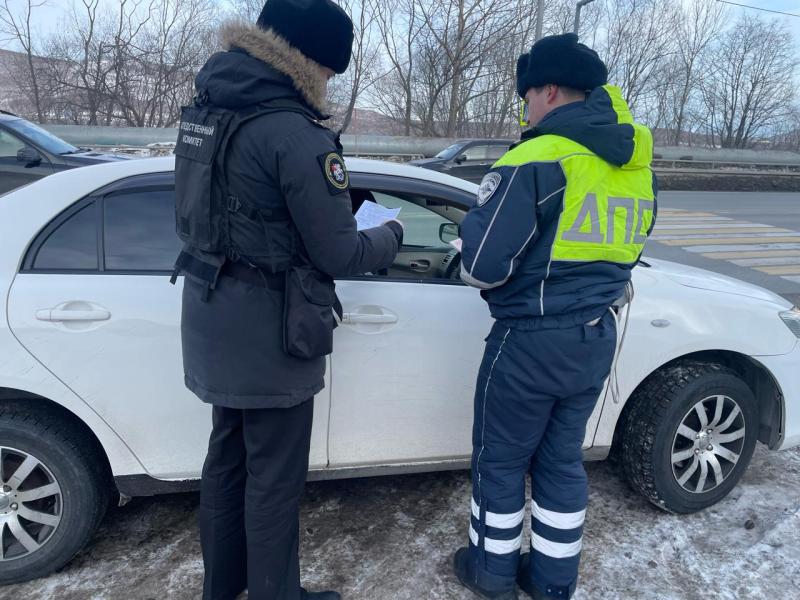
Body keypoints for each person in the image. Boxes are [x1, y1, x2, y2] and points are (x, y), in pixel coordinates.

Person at [171, 1, 403, 598]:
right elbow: (339, 255)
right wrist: (391, 233)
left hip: (210, 310)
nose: (327, 85)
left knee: (226, 464)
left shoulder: (209, 107)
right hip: (270, 332)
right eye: (328, 72)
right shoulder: (293, 130)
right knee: (273, 480)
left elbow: (243, 206)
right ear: (309, 60)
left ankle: (221, 590)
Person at [452, 33, 657, 600]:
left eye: (525, 96)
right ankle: (551, 582)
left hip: (530, 342)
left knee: (499, 461)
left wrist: (467, 234)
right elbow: (630, 251)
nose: (524, 107)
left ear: (546, 90)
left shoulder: (536, 158)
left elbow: (484, 266)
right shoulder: (637, 169)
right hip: (595, 336)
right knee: (562, 462)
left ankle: (490, 574)